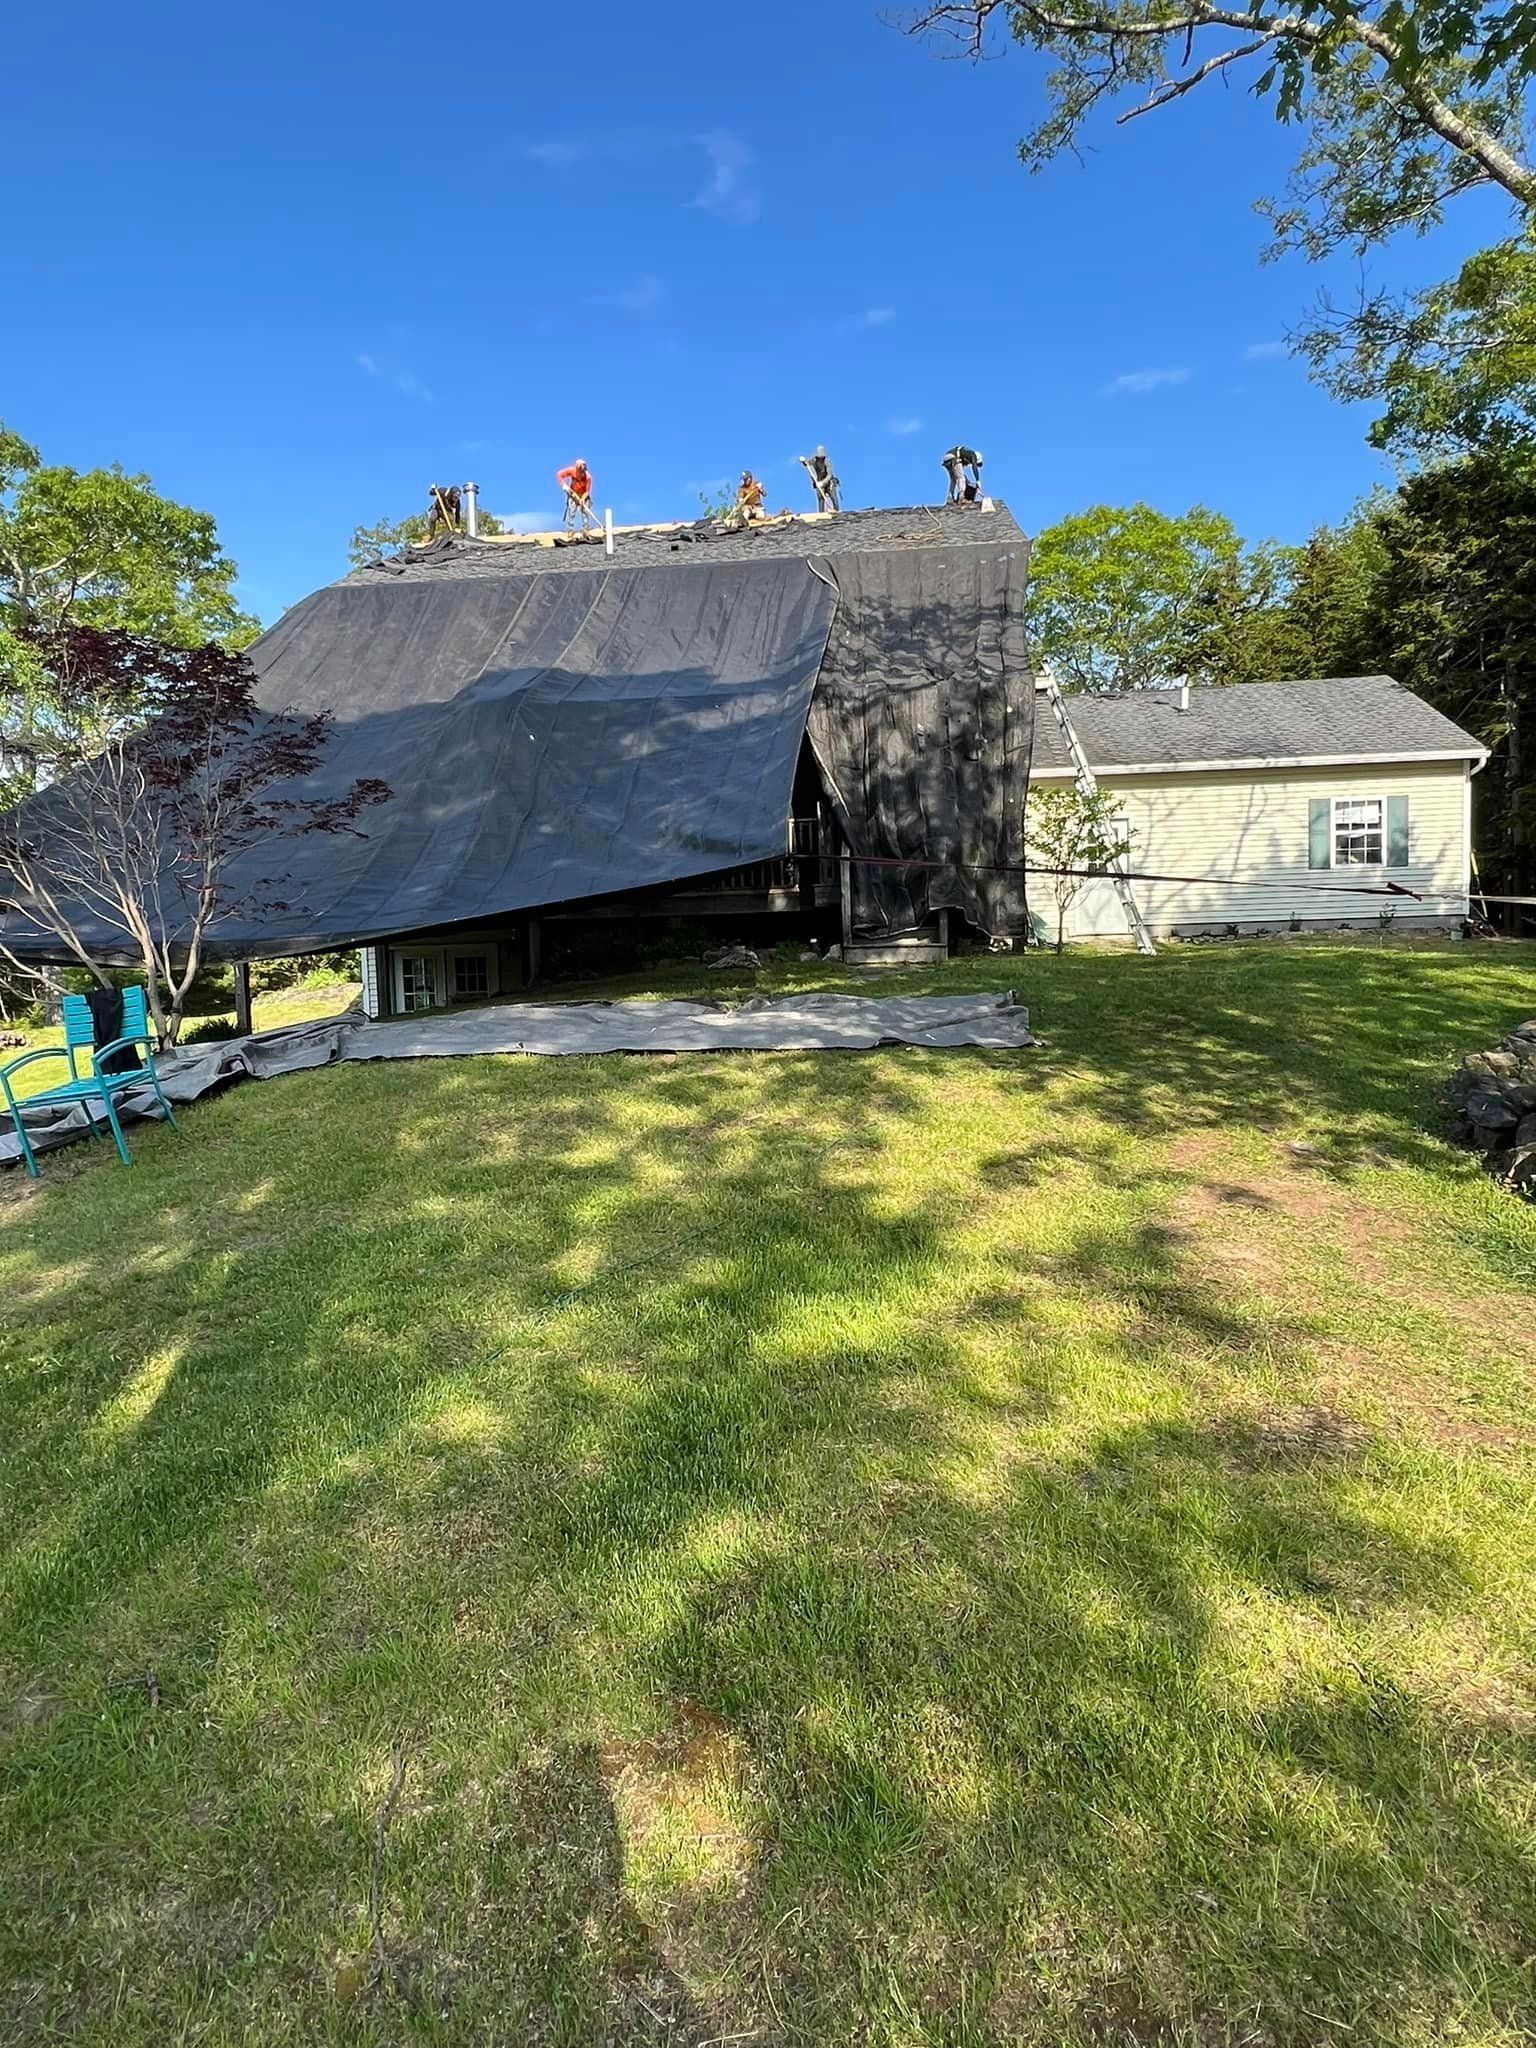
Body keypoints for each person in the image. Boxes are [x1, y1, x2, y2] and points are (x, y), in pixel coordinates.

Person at [556, 458, 596, 533]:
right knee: (571, 512)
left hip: (584, 495)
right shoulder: (571, 470)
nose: (581, 474)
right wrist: (564, 485)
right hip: (573, 494)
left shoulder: (588, 477)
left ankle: (586, 531)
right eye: (580, 472)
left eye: (583, 472)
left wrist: (583, 499)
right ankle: (570, 532)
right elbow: (559, 474)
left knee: (585, 512)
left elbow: (587, 491)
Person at [798, 445, 840, 512]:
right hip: (819, 481)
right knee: (820, 498)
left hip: (829, 482)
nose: (820, 459)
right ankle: (821, 513)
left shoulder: (827, 461)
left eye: (822, 457)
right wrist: (803, 461)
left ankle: (837, 512)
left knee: (834, 498)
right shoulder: (814, 460)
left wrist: (823, 483)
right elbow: (807, 463)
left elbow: (829, 475)